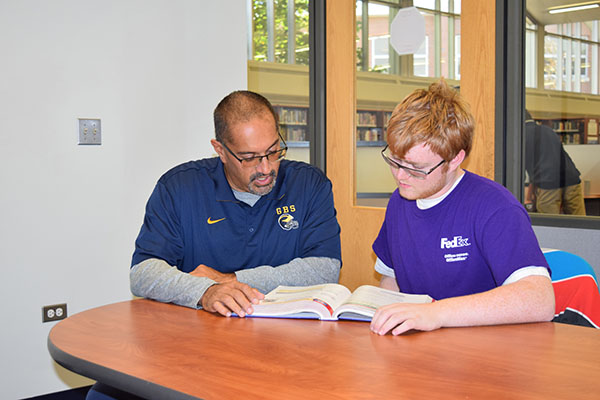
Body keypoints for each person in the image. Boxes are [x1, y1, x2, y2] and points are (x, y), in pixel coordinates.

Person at [86, 90, 341, 400]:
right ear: (220, 150)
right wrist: (204, 292)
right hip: (193, 350)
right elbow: (143, 272)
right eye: (249, 158)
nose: (266, 167)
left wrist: (229, 282)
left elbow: (325, 268)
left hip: (284, 349)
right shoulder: (179, 187)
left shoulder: (308, 184)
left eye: (274, 151)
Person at [369, 80, 555, 336]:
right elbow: (390, 279)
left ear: (455, 158)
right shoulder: (400, 202)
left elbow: (540, 300)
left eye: (415, 168)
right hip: (421, 352)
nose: (400, 176)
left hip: (486, 355)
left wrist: (437, 313)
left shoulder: (495, 207)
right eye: (395, 161)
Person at [524, 110, 585, 215]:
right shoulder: (548, 130)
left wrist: (529, 196)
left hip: (548, 183)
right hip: (572, 178)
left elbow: (523, 167)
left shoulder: (521, 136)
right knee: (580, 221)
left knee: (550, 222)